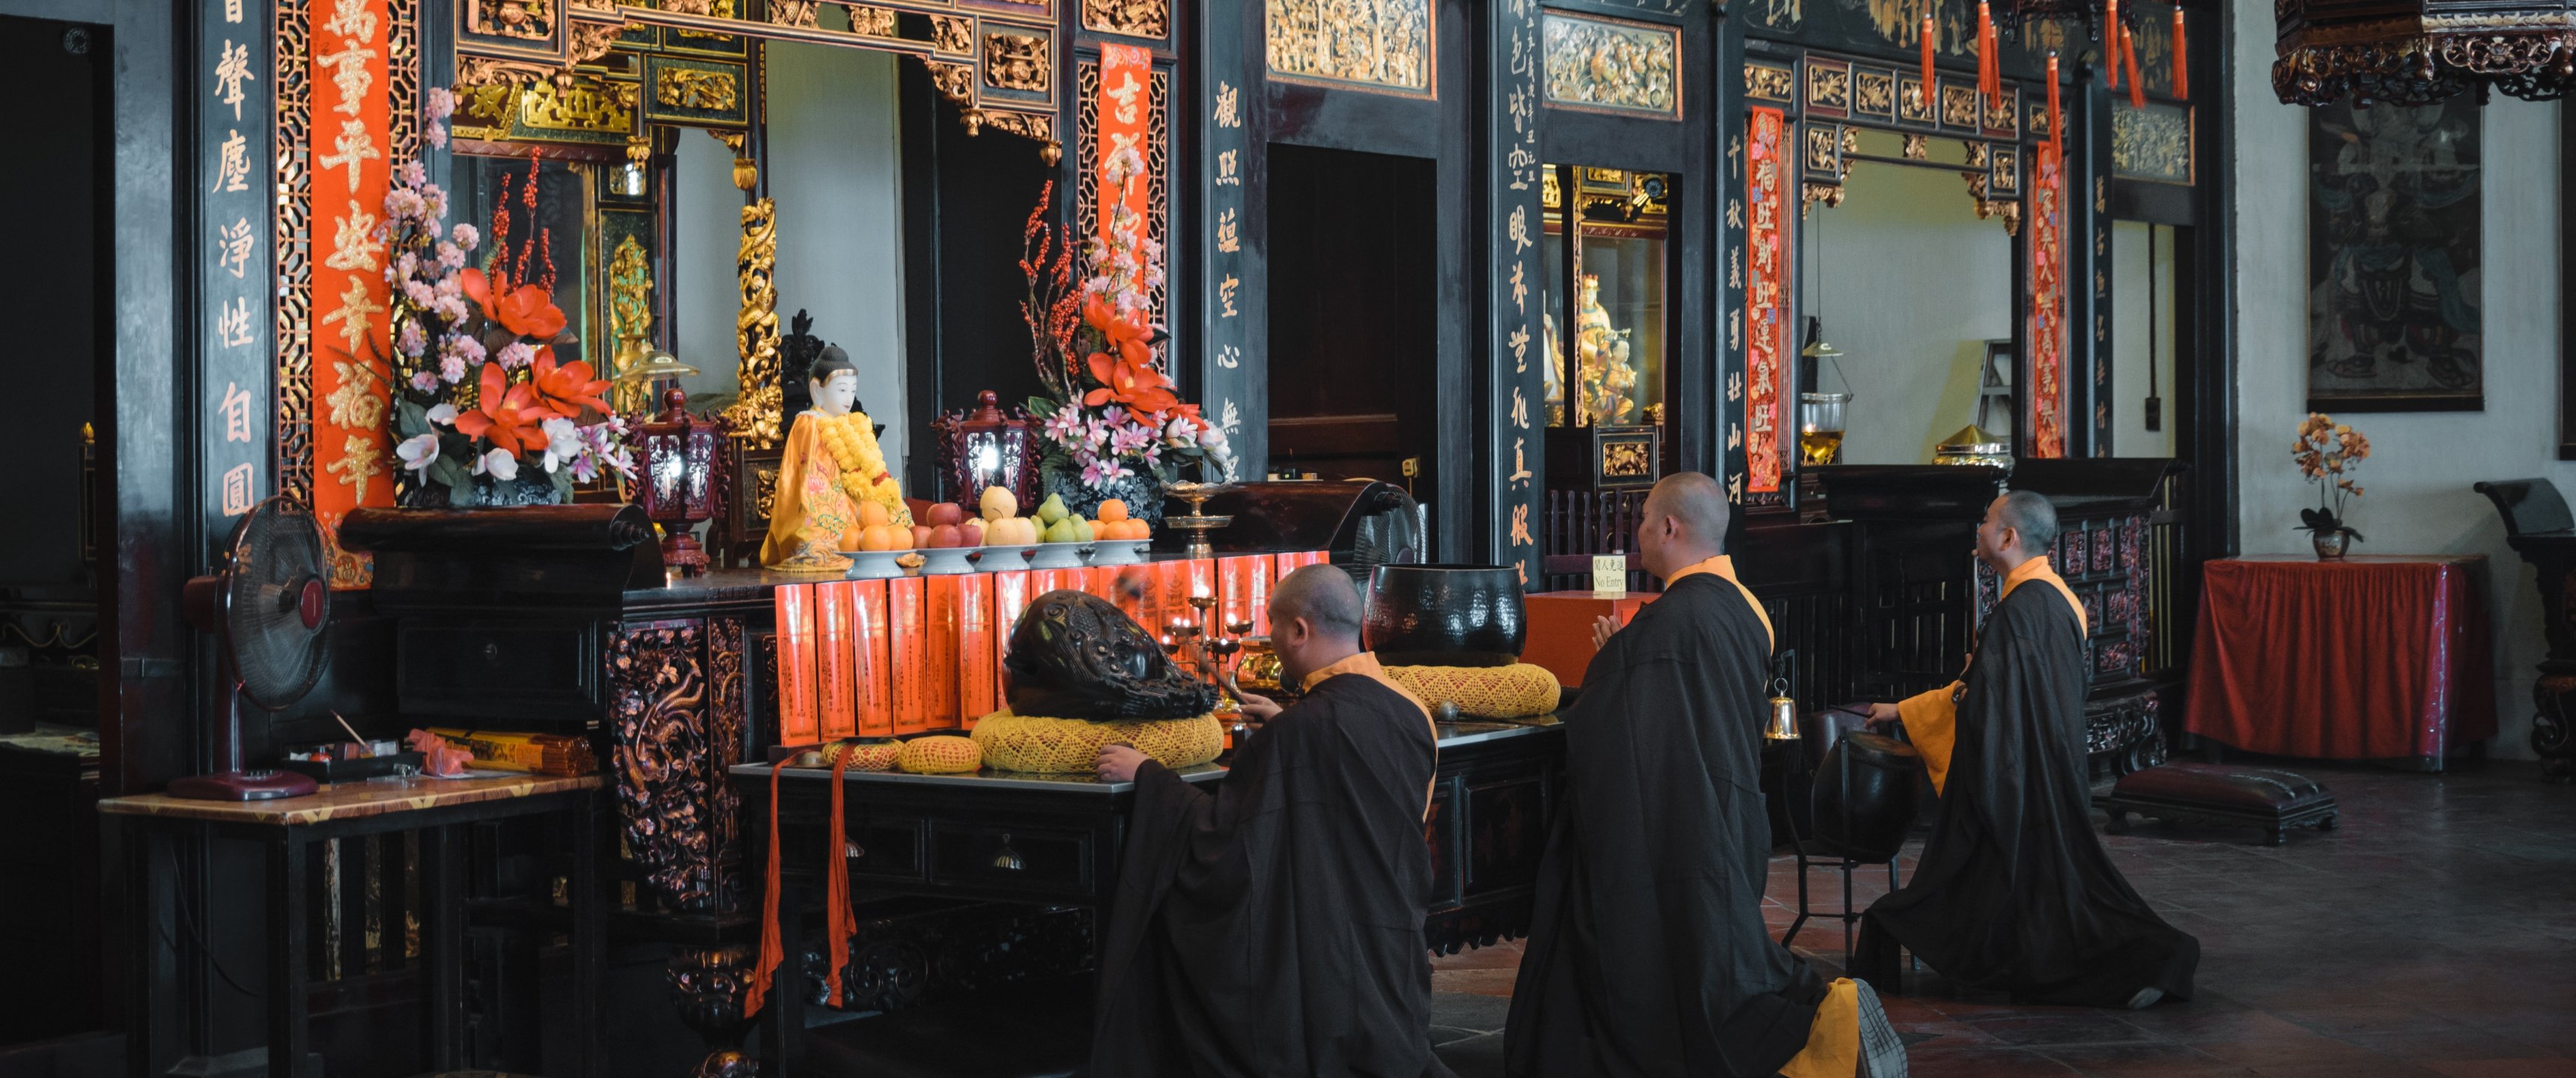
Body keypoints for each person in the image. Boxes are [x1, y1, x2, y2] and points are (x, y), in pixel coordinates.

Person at [1507, 472, 1904, 1078]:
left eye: (1643, 520)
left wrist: (1612, 663)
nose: (1637, 532)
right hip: (1734, 804)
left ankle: (1821, 1028)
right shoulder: (1745, 608)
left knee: (1685, 965)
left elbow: (1618, 720)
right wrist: (1627, 657)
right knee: (1724, 947)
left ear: (1669, 527)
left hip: (1680, 817)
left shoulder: (1667, 624)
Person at [1092, 564, 1453, 1078]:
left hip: (1325, 951)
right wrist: (1288, 727)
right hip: (1390, 935)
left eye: (1274, 626)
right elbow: (1367, 793)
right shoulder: (1411, 711)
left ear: (1299, 631)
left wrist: (1149, 777)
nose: (1274, 639)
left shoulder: (1300, 734)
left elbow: (1225, 837)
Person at [1853, 490, 2199, 1009]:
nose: (1978, 528)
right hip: (2052, 767)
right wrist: (1907, 709)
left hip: (2018, 777)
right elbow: (1995, 689)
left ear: (2008, 537)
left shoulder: (2020, 611)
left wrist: (1961, 703)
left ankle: (2147, 959)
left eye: (1986, 520)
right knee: (2056, 886)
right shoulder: (2057, 597)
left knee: (2040, 888)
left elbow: (1982, 701)